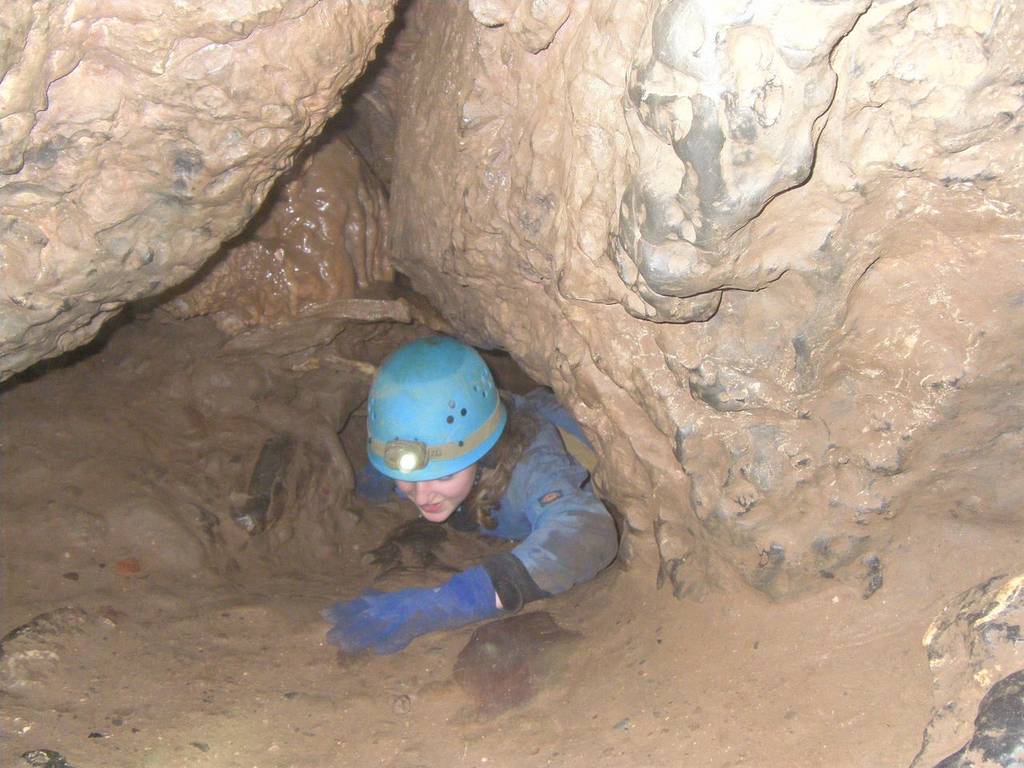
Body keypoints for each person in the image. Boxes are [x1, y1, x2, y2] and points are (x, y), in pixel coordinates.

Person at [323, 335, 619, 655]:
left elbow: (588, 531)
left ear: (483, 453)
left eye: (445, 475)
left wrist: (466, 597)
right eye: (407, 479)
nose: (422, 495)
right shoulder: (426, 441)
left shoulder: (531, 468)